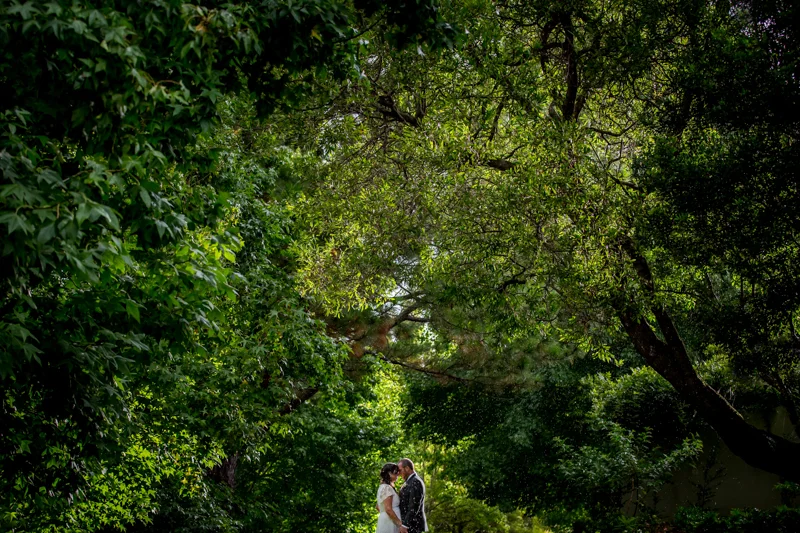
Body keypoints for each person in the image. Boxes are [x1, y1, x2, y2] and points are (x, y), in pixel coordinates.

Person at [398, 458, 428, 533]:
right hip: (409, 525)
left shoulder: (415, 482)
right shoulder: (410, 481)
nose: (398, 473)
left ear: (407, 468)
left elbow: (414, 506)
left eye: (400, 470)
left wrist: (405, 525)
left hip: (413, 526)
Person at [376, 463, 403, 533]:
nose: (397, 475)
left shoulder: (383, 487)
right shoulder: (386, 488)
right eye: (395, 473)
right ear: (389, 473)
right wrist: (400, 524)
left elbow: (377, 507)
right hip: (390, 523)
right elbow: (388, 509)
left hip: (387, 520)